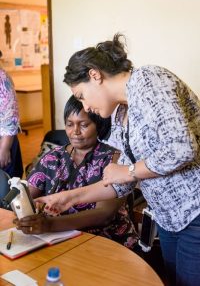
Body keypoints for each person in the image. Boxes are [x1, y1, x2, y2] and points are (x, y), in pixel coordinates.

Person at [35, 34, 200, 286]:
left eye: (81, 95)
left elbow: (180, 148)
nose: (85, 106)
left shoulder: (148, 80)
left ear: (95, 75)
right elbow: (118, 183)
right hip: (169, 219)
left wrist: (130, 170)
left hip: (195, 212)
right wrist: (67, 198)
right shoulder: (121, 113)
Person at [15, 95, 138, 250]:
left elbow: (105, 214)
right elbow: (27, 198)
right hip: (57, 238)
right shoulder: (52, 157)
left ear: (98, 125)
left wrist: (50, 224)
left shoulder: (115, 159)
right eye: (69, 124)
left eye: (84, 125)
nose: (75, 132)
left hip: (105, 241)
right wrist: (26, 209)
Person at [0, 58, 22, 178]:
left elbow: (10, 114)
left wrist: (4, 148)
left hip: (3, 140)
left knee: (8, 183)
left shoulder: (1, 79)